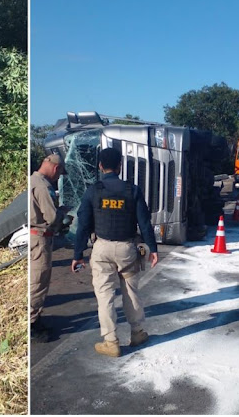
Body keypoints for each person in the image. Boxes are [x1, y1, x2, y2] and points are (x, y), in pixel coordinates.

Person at [71, 147, 158, 358]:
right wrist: (152, 249)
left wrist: (77, 254)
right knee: (130, 292)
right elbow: (144, 222)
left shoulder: (93, 191)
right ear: (120, 166)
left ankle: (110, 341)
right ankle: (137, 333)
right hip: (127, 250)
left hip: (101, 249)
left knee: (104, 296)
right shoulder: (132, 190)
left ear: (100, 166)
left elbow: (83, 225)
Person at [30, 154, 70, 342]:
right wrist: (63, 212)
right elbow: (52, 218)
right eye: (60, 173)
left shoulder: (32, 180)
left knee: (36, 280)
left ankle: (35, 319)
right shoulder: (43, 186)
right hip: (40, 239)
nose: (59, 177)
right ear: (56, 169)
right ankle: (32, 325)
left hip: (33, 237)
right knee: (38, 282)